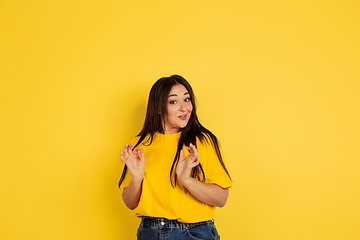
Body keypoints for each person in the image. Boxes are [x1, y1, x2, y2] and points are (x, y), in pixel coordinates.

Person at [118, 75, 232, 240]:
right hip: (149, 232)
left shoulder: (202, 141)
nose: (184, 108)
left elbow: (221, 199)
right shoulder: (140, 145)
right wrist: (136, 178)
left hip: (194, 233)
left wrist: (186, 180)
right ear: (158, 108)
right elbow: (130, 203)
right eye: (173, 102)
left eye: (187, 99)